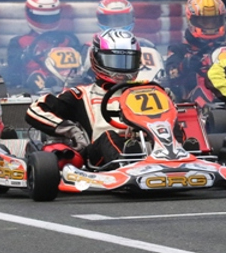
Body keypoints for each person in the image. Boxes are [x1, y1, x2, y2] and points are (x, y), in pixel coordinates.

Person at [26, 28, 144, 169]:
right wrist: (71, 130)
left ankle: (164, 162)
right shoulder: (81, 95)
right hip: (99, 155)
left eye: (128, 62)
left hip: (146, 146)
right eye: (115, 61)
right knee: (109, 136)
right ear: (97, 58)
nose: (122, 69)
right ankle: (129, 166)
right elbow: (35, 110)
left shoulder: (146, 92)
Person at [5, 0, 81, 91]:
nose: (47, 22)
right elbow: (13, 70)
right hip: (36, 85)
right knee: (38, 79)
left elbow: (81, 64)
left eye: (51, 17)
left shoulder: (68, 40)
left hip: (70, 81)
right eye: (41, 17)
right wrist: (25, 55)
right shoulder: (20, 42)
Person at [164, 0, 226, 102]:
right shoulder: (179, 49)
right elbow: (171, 74)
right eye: (204, 22)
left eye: (214, 21)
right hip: (194, 102)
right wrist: (185, 65)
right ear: (191, 21)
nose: (210, 27)